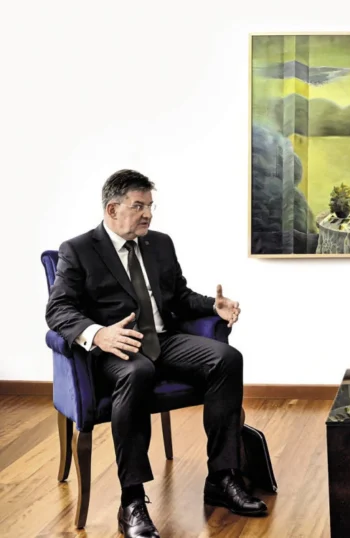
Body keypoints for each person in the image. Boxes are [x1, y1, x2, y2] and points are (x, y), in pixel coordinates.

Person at [45, 170, 267, 538]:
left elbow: (179, 297)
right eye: (138, 206)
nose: (148, 214)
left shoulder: (159, 244)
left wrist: (213, 306)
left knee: (227, 359)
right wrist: (99, 334)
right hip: (118, 348)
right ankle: (131, 500)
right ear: (112, 209)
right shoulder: (79, 250)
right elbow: (58, 310)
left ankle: (223, 477)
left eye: (150, 206)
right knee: (138, 373)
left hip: (164, 341)